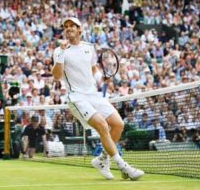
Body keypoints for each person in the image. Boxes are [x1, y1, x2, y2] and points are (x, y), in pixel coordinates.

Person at [52, 17, 144, 180]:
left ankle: (102, 159)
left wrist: (102, 78)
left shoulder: (89, 48)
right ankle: (124, 167)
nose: (68, 28)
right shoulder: (60, 51)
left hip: (93, 94)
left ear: (79, 29)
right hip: (76, 97)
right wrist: (60, 54)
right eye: (65, 27)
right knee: (102, 125)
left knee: (118, 124)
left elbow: (93, 69)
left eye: (72, 26)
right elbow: (57, 76)